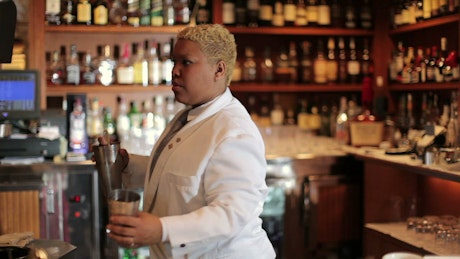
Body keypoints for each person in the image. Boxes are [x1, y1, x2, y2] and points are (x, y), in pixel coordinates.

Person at [105, 24, 276, 258]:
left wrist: (162, 229)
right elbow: (184, 176)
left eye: (186, 62)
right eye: (174, 62)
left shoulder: (234, 131)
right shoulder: (190, 115)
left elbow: (233, 213)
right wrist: (128, 165)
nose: (175, 71)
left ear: (219, 70)